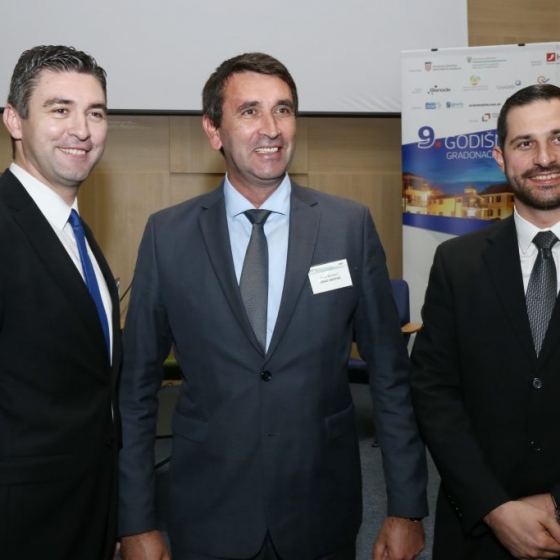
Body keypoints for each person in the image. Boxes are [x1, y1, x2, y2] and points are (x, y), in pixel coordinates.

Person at [118, 52, 428, 560]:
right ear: (213, 131)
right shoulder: (167, 235)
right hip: (208, 511)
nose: (271, 128)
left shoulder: (347, 227)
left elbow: (391, 380)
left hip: (320, 507)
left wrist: (406, 508)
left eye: (283, 110)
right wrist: (135, 521)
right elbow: (136, 392)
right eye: (250, 111)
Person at [411, 83, 560, 559]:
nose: (544, 157)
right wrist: (494, 508)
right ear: (500, 157)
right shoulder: (456, 263)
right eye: (525, 143)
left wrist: (557, 503)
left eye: (558, 138)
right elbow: (434, 391)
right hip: (477, 529)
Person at [0, 45, 121, 559]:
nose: (82, 130)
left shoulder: (79, 235)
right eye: (59, 109)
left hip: (88, 512)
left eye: (95, 113)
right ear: (14, 120)